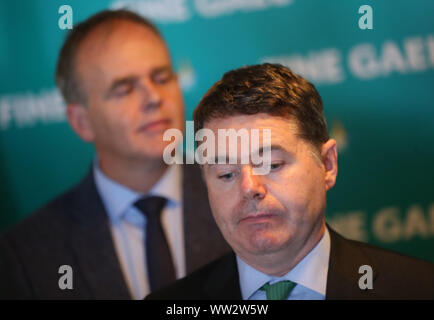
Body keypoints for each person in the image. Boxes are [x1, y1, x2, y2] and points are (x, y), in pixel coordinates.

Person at [146, 63, 434, 300]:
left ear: (328, 165)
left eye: (272, 164)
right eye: (226, 173)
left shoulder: (418, 289)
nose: (248, 188)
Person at [0, 9, 229, 299]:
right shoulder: (25, 254)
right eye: (124, 89)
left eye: (161, 77)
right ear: (82, 122)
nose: (154, 98)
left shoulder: (243, 194)